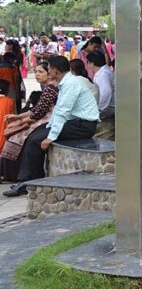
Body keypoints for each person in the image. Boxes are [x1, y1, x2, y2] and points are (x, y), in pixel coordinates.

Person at [3, 56, 99, 196]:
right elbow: (59, 110)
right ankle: (28, 181)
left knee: (36, 141)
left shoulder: (71, 84)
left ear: (54, 71)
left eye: (49, 69)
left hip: (83, 126)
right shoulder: (65, 83)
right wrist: (50, 128)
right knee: (33, 137)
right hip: (74, 123)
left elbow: (63, 112)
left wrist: (51, 136)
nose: (49, 71)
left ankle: (31, 182)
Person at [0, 60, 59, 182]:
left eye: (40, 72)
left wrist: (21, 120)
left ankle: (19, 175)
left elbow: (39, 112)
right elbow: (37, 110)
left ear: (49, 74)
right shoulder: (49, 87)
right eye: (36, 71)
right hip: (43, 119)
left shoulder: (51, 88)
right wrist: (19, 118)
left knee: (18, 137)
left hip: (47, 120)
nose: (37, 74)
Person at [85, 50, 114, 119]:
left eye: (87, 62)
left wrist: (98, 110)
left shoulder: (102, 75)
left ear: (92, 64)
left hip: (109, 108)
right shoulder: (103, 71)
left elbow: (106, 93)